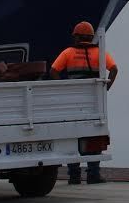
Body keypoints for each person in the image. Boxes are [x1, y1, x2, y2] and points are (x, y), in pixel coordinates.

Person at [50, 21, 118, 184]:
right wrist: (106, 87)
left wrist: (64, 88)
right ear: (91, 37)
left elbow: (53, 71)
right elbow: (114, 69)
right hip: (94, 101)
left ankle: (74, 176)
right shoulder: (100, 54)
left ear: (77, 37)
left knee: (73, 136)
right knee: (93, 136)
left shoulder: (68, 53)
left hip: (73, 101)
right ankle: (93, 175)